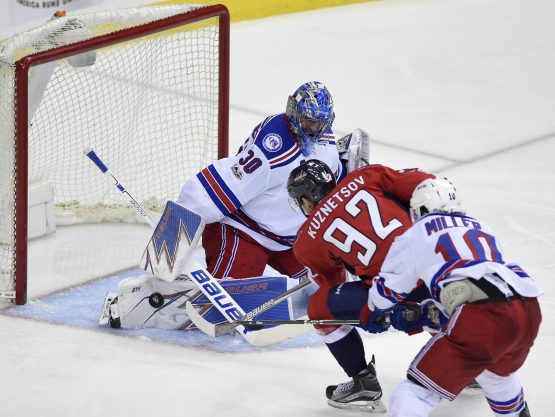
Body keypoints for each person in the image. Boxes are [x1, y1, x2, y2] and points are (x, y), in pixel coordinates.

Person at [102, 82, 370, 330]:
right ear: (294, 114)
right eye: (309, 122)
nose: (315, 129)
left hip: (290, 238)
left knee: (332, 289)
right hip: (244, 230)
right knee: (220, 308)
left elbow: (329, 180)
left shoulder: (324, 137)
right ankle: (136, 303)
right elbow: (213, 189)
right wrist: (170, 242)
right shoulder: (272, 150)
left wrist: (346, 174)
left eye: (320, 123)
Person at [358, 177, 542, 417]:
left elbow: (388, 291)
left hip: (481, 314)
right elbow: (476, 279)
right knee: (497, 376)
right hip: (526, 306)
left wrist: (371, 312)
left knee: (413, 393)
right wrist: (429, 312)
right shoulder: (481, 226)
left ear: (420, 208)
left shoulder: (416, 233)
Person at [287, 159, 435, 412]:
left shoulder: (307, 240)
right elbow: (427, 184)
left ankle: (362, 381)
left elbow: (332, 285)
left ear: (305, 201)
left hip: (398, 295)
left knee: (320, 310)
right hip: (444, 271)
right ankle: (466, 357)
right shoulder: (367, 175)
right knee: (433, 297)